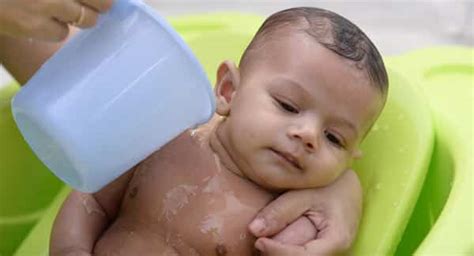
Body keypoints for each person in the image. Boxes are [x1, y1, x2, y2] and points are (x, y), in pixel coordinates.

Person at [0, 2, 376, 255]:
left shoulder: (286, 218)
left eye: (334, 138)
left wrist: (344, 188)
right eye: (288, 106)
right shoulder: (164, 137)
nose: (309, 135)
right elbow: (91, 200)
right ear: (228, 90)